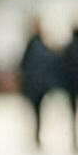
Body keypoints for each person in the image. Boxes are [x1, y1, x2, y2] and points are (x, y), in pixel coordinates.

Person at [18, 17, 58, 146]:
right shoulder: (42, 44)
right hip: (40, 85)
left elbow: (23, 65)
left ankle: (36, 135)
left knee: (36, 111)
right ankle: (36, 134)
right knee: (38, 111)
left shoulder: (32, 44)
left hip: (34, 84)